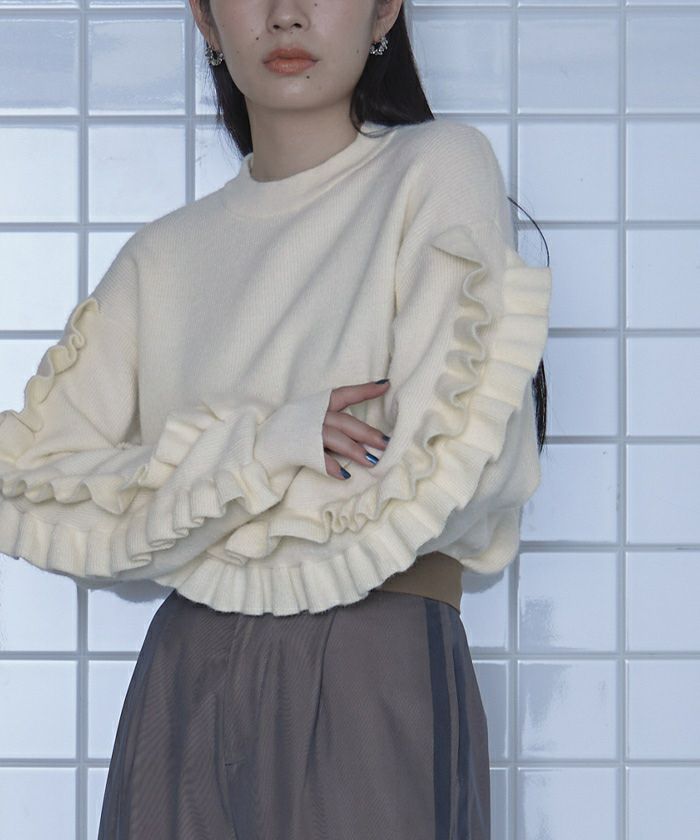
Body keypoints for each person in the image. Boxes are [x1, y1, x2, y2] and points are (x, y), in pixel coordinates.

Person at [0, 0, 552, 837]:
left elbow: (436, 480)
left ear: (385, 10)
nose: (287, 14)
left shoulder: (436, 169)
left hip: (374, 656)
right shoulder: (163, 256)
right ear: (206, 20)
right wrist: (266, 444)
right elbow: (30, 488)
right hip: (185, 675)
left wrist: (190, 512)